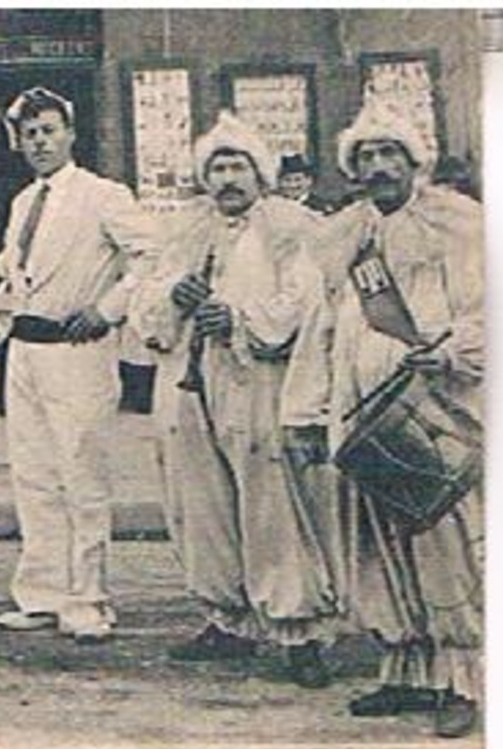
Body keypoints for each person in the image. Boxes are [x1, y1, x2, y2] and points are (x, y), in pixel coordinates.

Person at [281, 102, 485, 738]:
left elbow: (488, 307)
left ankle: (462, 679)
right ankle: (403, 670)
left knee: (443, 545)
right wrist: (305, 410)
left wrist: (451, 349)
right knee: (374, 547)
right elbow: (321, 327)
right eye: (365, 158)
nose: (378, 167)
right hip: (361, 415)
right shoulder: (347, 237)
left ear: (414, 161)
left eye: (389, 154)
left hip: (432, 409)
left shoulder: (456, 227)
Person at [132, 112, 339, 688]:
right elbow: (144, 302)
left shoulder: (292, 228)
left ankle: (298, 630)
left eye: (238, 166)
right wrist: (176, 298)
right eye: (218, 167)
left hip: (260, 380)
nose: (228, 178)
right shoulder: (181, 230)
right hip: (188, 381)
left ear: (260, 172)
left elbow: (306, 301)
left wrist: (242, 320)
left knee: (274, 502)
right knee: (202, 502)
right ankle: (227, 619)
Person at [0, 85, 159, 644]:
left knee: (81, 475)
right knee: (34, 475)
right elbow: (14, 264)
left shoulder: (103, 194)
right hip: (24, 351)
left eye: (49, 131)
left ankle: (87, 601)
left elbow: (151, 254)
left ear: (70, 134)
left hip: (77, 351)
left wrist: (109, 310)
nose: (40, 142)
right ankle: (43, 594)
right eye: (30, 134)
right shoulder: (24, 202)